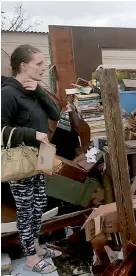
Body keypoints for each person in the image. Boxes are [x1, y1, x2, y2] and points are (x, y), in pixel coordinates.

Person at [1, 44, 61, 274]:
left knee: (38, 206)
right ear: (23, 66)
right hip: (21, 159)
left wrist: (39, 91)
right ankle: (31, 259)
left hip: (39, 158)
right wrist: (31, 134)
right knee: (26, 210)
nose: (43, 68)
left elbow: (56, 114)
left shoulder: (32, 90)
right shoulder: (7, 93)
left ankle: (37, 247)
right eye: (39, 64)